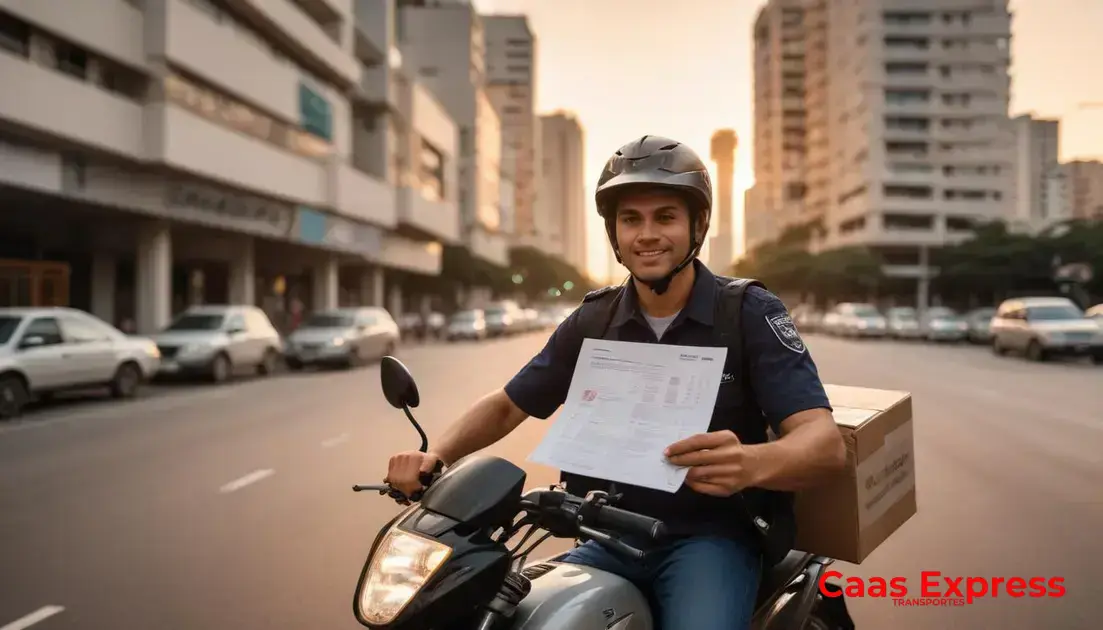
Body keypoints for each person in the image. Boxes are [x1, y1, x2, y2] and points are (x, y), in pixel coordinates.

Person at [386, 135, 847, 630]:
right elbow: (507, 405)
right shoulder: (593, 320)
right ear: (614, 232)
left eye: (665, 217)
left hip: (708, 540)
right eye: (631, 219)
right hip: (604, 539)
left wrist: (751, 463)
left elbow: (824, 445)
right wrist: (435, 457)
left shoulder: (748, 313)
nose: (647, 234)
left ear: (699, 224)